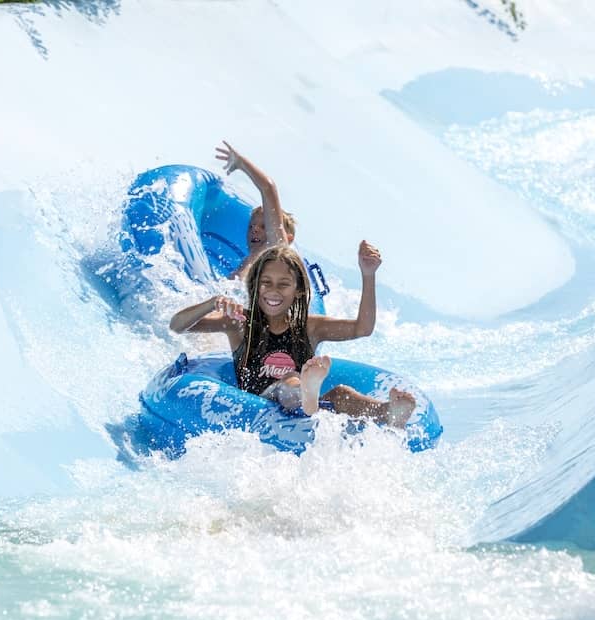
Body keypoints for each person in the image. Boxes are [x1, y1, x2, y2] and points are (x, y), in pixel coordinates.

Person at [169, 241, 416, 429]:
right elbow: (178, 325)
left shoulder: (311, 327)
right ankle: (306, 395)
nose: (273, 291)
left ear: (298, 291)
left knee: (341, 394)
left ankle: (387, 412)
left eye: (283, 284)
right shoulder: (239, 323)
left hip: (304, 407)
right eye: (266, 282)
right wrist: (212, 304)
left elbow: (363, 328)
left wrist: (368, 275)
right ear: (254, 286)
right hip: (256, 407)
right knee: (287, 381)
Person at [214, 141, 297, 279]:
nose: (254, 230)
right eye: (251, 226)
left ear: (287, 239)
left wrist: (241, 163)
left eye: (265, 226)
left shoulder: (276, 248)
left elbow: (268, 189)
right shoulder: (252, 258)